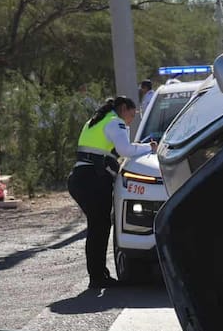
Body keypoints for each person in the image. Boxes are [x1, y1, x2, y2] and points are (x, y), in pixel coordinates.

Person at [67, 96, 156, 289]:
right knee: (99, 227)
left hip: (81, 178)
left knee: (97, 226)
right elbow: (125, 150)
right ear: (123, 109)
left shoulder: (96, 121)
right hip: (92, 180)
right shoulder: (115, 122)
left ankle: (98, 274)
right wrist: (149, 147)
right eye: (131, 115)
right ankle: (97, 277)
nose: (131, 120)